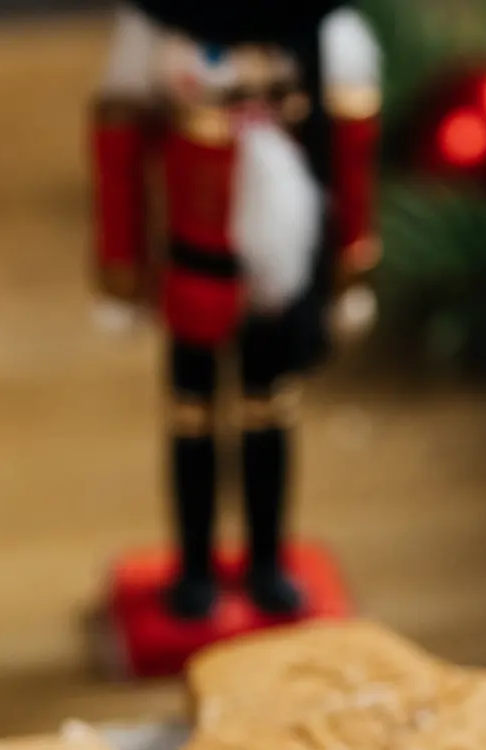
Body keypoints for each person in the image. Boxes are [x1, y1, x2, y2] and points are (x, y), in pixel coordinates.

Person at [91, 3, 382, 622]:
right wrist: (121, 278)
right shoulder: (170, 116)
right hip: (192, 288)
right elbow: (120, 174)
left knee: (268, 417)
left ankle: (267, 563)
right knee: (191, 423)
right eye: (218, 53)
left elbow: (350, 179)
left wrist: (347, 275)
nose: (244, 72)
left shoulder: (306, 118)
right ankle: (194, 567)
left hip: (276, 292)